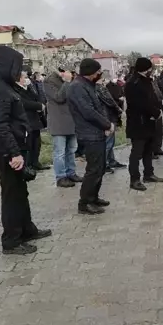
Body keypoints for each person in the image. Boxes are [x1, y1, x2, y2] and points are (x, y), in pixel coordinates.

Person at [0, 45, 51, 255]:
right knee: (11, 195)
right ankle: (11, 240)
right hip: (5, 149)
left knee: (20, 191)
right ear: (5, 64)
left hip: (12, 146)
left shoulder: (1, 83)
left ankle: (27, 230)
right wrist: (14, 153)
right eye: (17, 66)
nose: (19, 71)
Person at [66, 59, 112, 215]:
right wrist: (107, 125)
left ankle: (93, 197)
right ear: (92, 72)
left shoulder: (87, 85)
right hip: (89, 133)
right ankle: (84, 203)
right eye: (98, 71)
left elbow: (97, 108)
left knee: (100, 167)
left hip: (96, 131)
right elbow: (88, 111)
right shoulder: (77, 87)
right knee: (93, 169)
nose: (100, 74)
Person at [125, 57, 163, 191]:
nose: (151, 71)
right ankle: (134, 179)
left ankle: (149, 173)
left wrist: (158, 109)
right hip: (138, 122)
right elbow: (140, 104)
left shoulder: (146, 81)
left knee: (149, 149)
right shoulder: (133, 83)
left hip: (149, 121)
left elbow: (152, 98)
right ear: (144, 69)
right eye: (149, 68)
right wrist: (155, 113)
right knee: (137, 152)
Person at [44, 66, 82, 188]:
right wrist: (66, 82)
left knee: (71, 150)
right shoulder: (49, 81)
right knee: (59, 152)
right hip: (59, 122)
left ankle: (71, 173)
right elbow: (58, 98)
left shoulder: (71, 79)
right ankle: (61, 177)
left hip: (71, 121)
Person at [15, 69, 49, 171]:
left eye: (27, 77)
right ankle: (29, 164)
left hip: (35, 119)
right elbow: (23, 103)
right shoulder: (16, 89)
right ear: (18, 78)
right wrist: (38, 105)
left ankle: (36, 162)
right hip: (26, 119)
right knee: (29, 144)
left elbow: (36, 97)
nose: (27, 79)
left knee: (36, 143)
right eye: (24, 77)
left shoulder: (28, 88)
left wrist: (30, 87)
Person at [96, 79, 126, 173]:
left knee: (110, 142)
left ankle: (111, 161)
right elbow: (110, 100)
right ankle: (104, 165)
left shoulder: (97, 88)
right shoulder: (99, 88)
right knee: (108, 142)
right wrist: (119, 109)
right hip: (107, 117)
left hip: (107, 116)